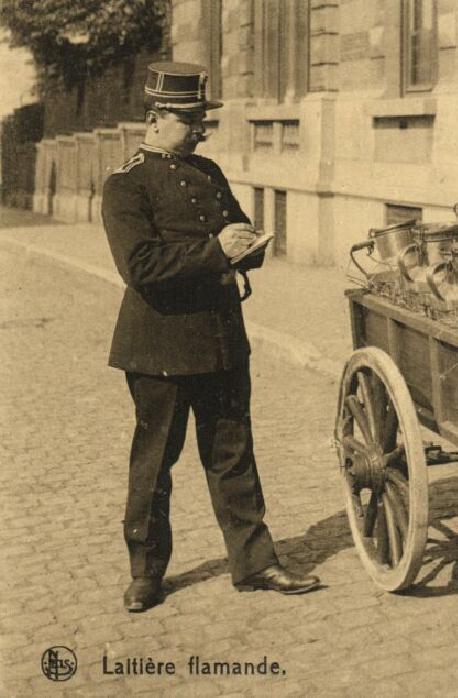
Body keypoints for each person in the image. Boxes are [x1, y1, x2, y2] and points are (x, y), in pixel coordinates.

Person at [102, 62, 320, 612]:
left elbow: (238, 230)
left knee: (233, 456)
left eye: (202, 119)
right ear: (154, 119)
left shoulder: (210, 172)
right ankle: (146, 574)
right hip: (160, 349)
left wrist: (250, 247)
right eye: (190, 119)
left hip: (222, 340)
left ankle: (256, 563)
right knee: (154, 465)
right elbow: (141, 267)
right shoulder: (126, 183)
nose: (201, 129)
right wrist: (217, 252)